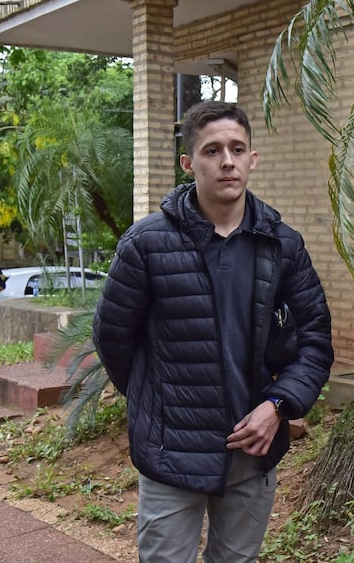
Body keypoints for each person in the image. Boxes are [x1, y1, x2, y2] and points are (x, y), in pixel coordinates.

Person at [92, 100, 334, 563]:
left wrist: (279, 406)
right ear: (189, 163)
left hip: (253, 450)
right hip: (172, 455)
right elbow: (114, 339)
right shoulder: (147, 244)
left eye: (238, 149)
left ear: (252, 159)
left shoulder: (283, 245)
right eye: (212, 150)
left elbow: (315, 340)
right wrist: (158, 403)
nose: (227, 161)